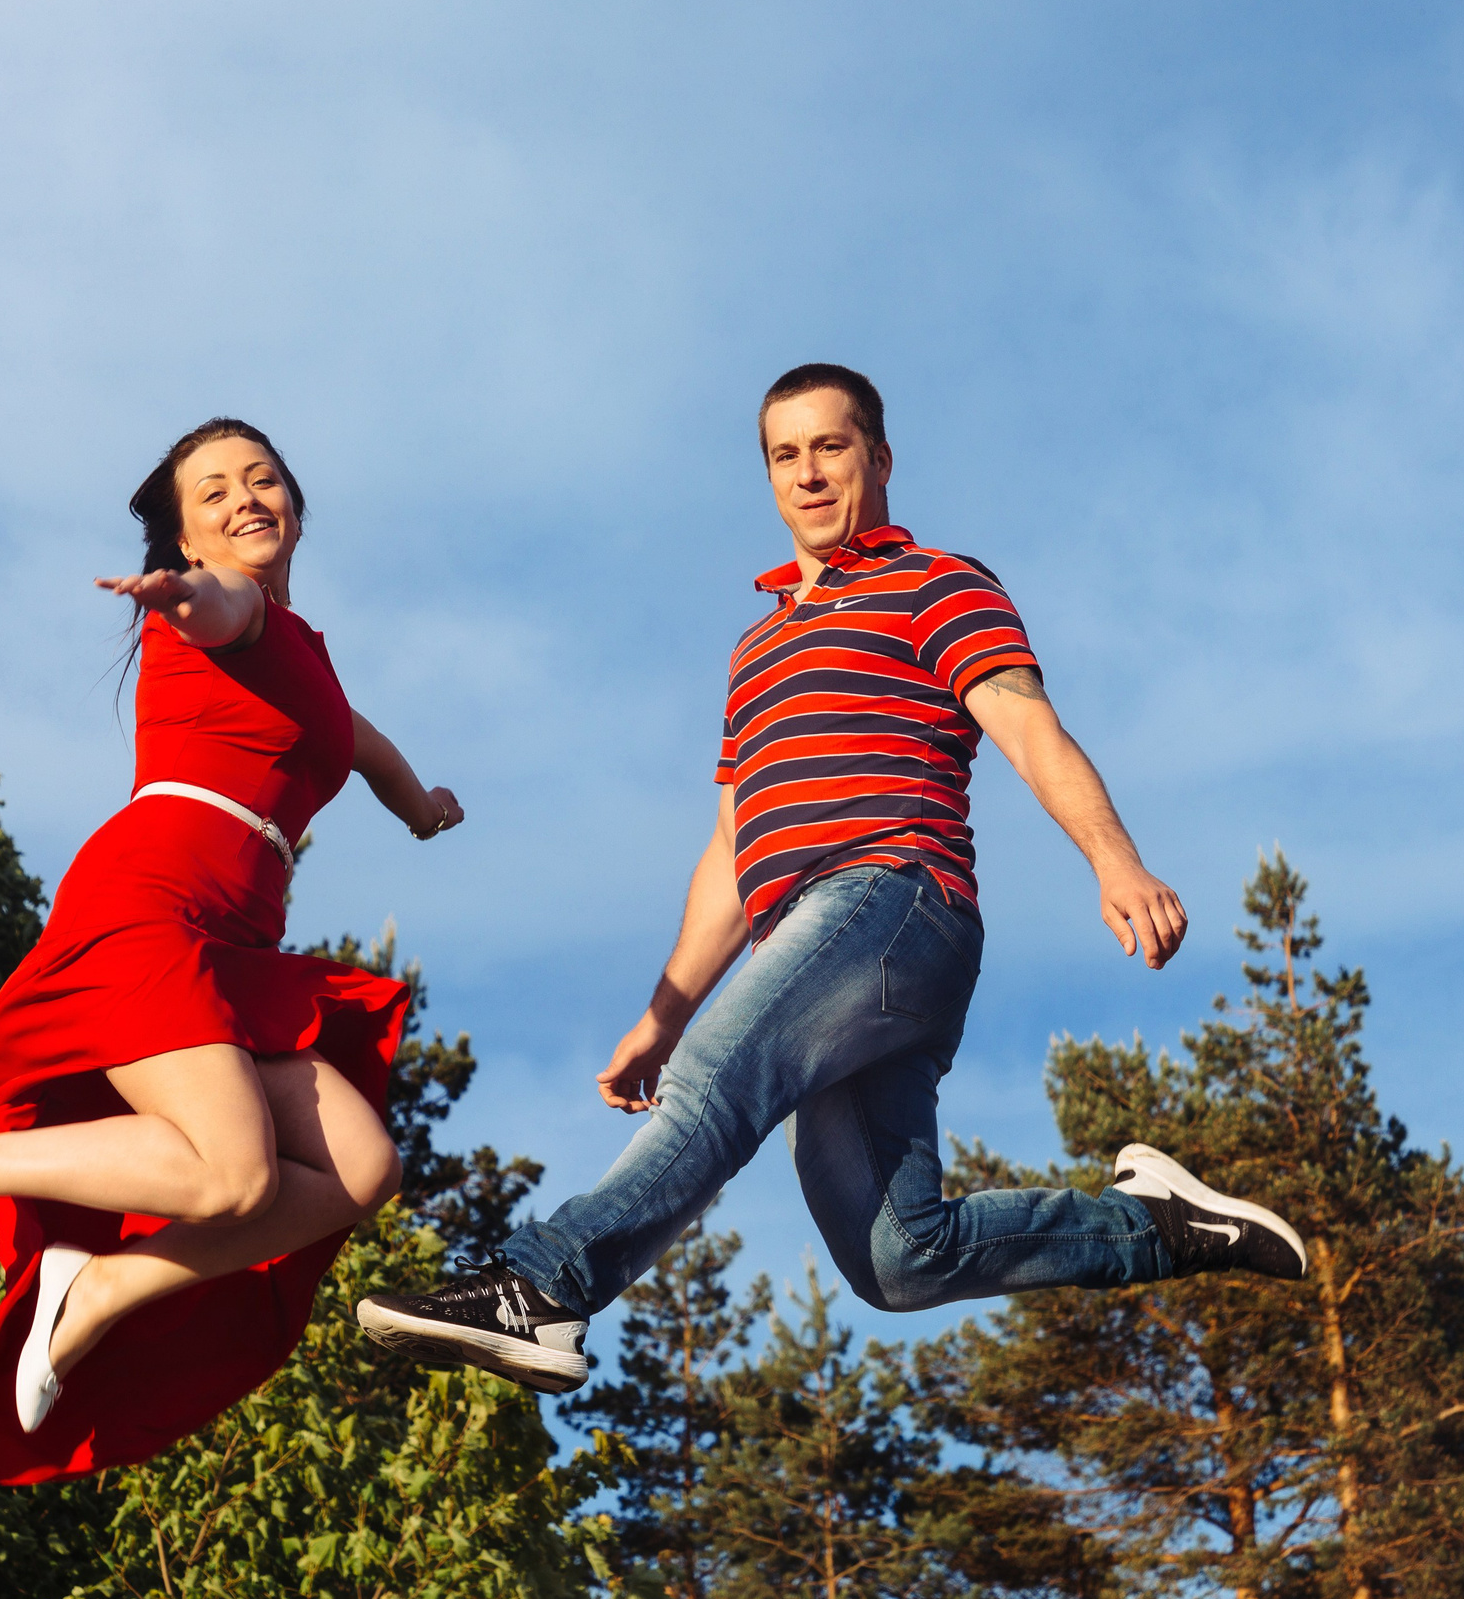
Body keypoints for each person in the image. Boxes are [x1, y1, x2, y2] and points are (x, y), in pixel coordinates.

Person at [357, 364, 1303, 1395]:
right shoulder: (755, 647)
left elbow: (1028, 727)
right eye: (784, 454)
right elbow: (731, 849)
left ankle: (540, 1286)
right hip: (809, 945)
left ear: (879, 458)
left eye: (831, 446)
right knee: (899, 1257)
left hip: (891, 899)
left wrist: (1114, 858)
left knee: (719, 1081)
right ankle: (1157, 1223)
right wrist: (665, 1009)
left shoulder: (938, 581)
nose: (808, 473)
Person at [0, 417, 462, 1491]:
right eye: (213, 491)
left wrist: (422, 807)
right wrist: (179, 594)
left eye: (264, 480)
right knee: (233, 1170)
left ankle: (103, 1288)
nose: (246, 497)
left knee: (359, 1168)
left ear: (298, 507)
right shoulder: (227, 611)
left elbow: (358, 742)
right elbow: (218, 606)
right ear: (182, 534)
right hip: (150, 902)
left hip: (228, 938)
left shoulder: (306, 662)